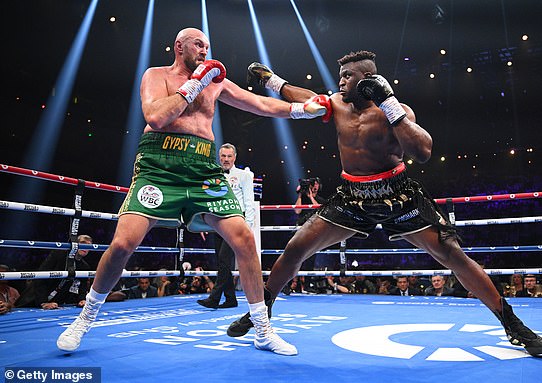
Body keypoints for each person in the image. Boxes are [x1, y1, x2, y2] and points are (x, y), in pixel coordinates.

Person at [226, 51, 542, 356]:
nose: (340, 82)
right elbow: (304, 98)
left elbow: (423, 152)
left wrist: (390, 105)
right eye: (340, 75)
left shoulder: (395, 109)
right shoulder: (337, 104)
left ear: (368, 79)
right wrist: (271, 79)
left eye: (347, 76)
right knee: (295, 248)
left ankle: (513, 324)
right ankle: (262, 313)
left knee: (453, 255)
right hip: (352, 195)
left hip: (398, 194)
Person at [57, 27, 326, 356]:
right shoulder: (156, 76)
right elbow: (155, 117)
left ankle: (262, 330)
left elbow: (258, 104)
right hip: (159, 163)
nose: (205, 50)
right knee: (124, 243)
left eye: (207, 45)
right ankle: (84, 319)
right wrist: (195, 81)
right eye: (199, 44)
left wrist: (300, 110)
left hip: (202, 168)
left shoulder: (216, 82)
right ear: (178, 46)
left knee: (244, 240)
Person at [198, 143, 255, 309]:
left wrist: (248, 226)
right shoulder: (214, 174)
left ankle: (214, 298)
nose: (226, 159)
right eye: (223, 156)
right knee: (222, 262)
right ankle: (231, 299)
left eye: (229, 156)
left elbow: (249, 201)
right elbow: (208, 199)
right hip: (217, 220)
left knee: (224, 259)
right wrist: (204, 223)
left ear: (234, 157)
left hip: (236, 221)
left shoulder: (244, 175)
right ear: (219, 157)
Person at [17, 234, 93, 309]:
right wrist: (43, 302)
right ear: (75, 245)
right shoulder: (58, 255)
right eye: (83, 243)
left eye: (88, 245)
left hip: (56, 302)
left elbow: (82, 286)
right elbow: (41, 277)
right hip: (34, 299)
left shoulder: (84, 266)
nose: (85, 247)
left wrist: (82, 299)